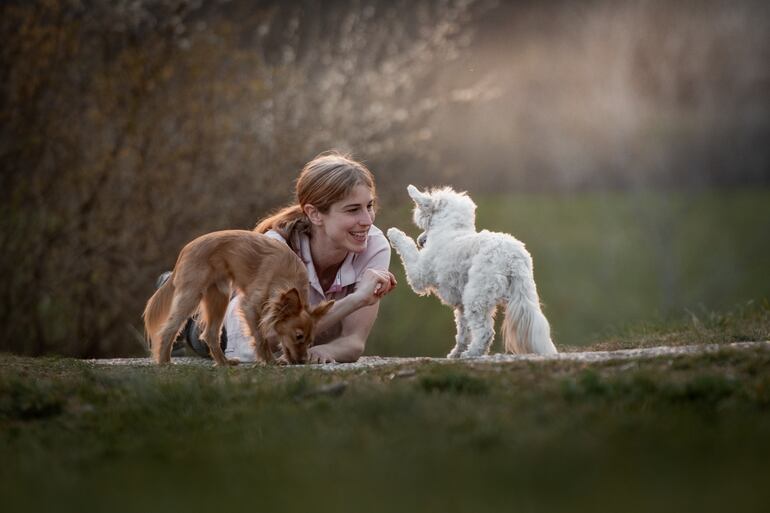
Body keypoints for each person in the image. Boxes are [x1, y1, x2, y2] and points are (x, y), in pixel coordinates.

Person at [210, 151, 396, 364]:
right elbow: (265, 340)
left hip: (304, 341)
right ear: (315, 214)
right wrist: (356, 299)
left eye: (369, 206)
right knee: (202, 331)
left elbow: (354, 341)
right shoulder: (276, 248)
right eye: (353, 210)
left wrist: (326, 352)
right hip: (234, 333)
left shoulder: (375, 245)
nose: (367, 220)